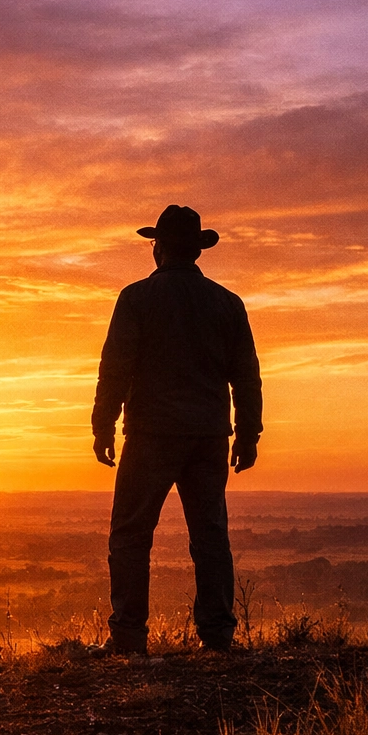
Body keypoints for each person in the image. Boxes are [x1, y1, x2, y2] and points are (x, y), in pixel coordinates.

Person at [91, 205, 262, 655]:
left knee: (130, 535)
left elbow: (115, 369)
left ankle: (128, 637)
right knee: (210, 534)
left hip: (150, 433)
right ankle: (219, 636)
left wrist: (103, 425)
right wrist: (247, 434)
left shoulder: (136, 298)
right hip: (208, 434)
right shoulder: (228, 303)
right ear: (198, 252)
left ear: (160, 249)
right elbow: (245, 375)